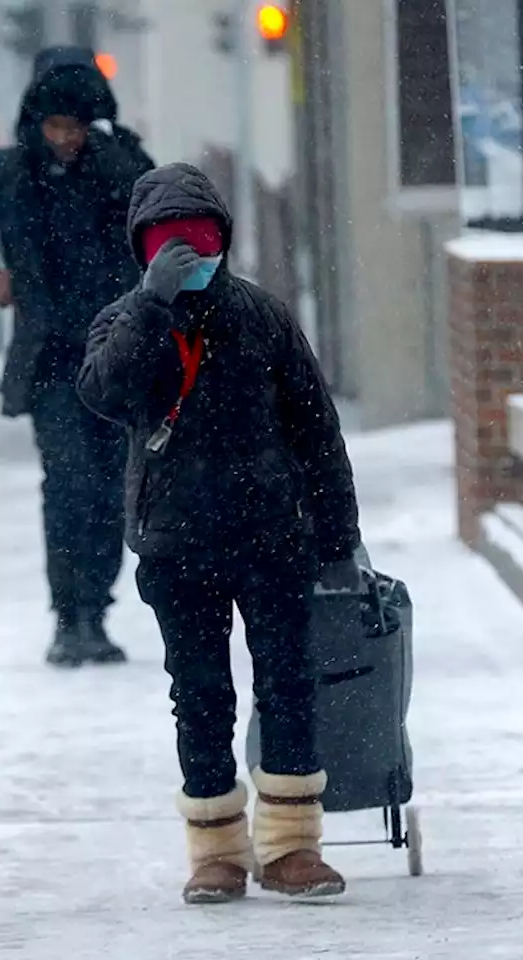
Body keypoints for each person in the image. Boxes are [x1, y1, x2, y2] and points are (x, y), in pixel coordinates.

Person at [77, 162, 363, 904]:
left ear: (224, 241)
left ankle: (293, 847)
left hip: (272, 539)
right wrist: (152, 306)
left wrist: (339, 536)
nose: (189, 256)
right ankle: (216, 852)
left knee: (288, 685)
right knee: (200, 693)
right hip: (177, 547)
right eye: (170, 244)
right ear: (142, 249)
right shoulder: (124, 319)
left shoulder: (261, 317)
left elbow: (316, 429)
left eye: (201, 240)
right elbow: (103, 392)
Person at [0, 46, 154, 667]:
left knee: (111, 486)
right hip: (50, 356)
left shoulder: (121, 166)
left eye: (74, 128)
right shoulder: (7, 174)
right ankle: (69, 612)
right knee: (68, 481)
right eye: (54, 128)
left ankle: (96, 609)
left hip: (117, 354)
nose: (64, 141)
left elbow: (162, 220)